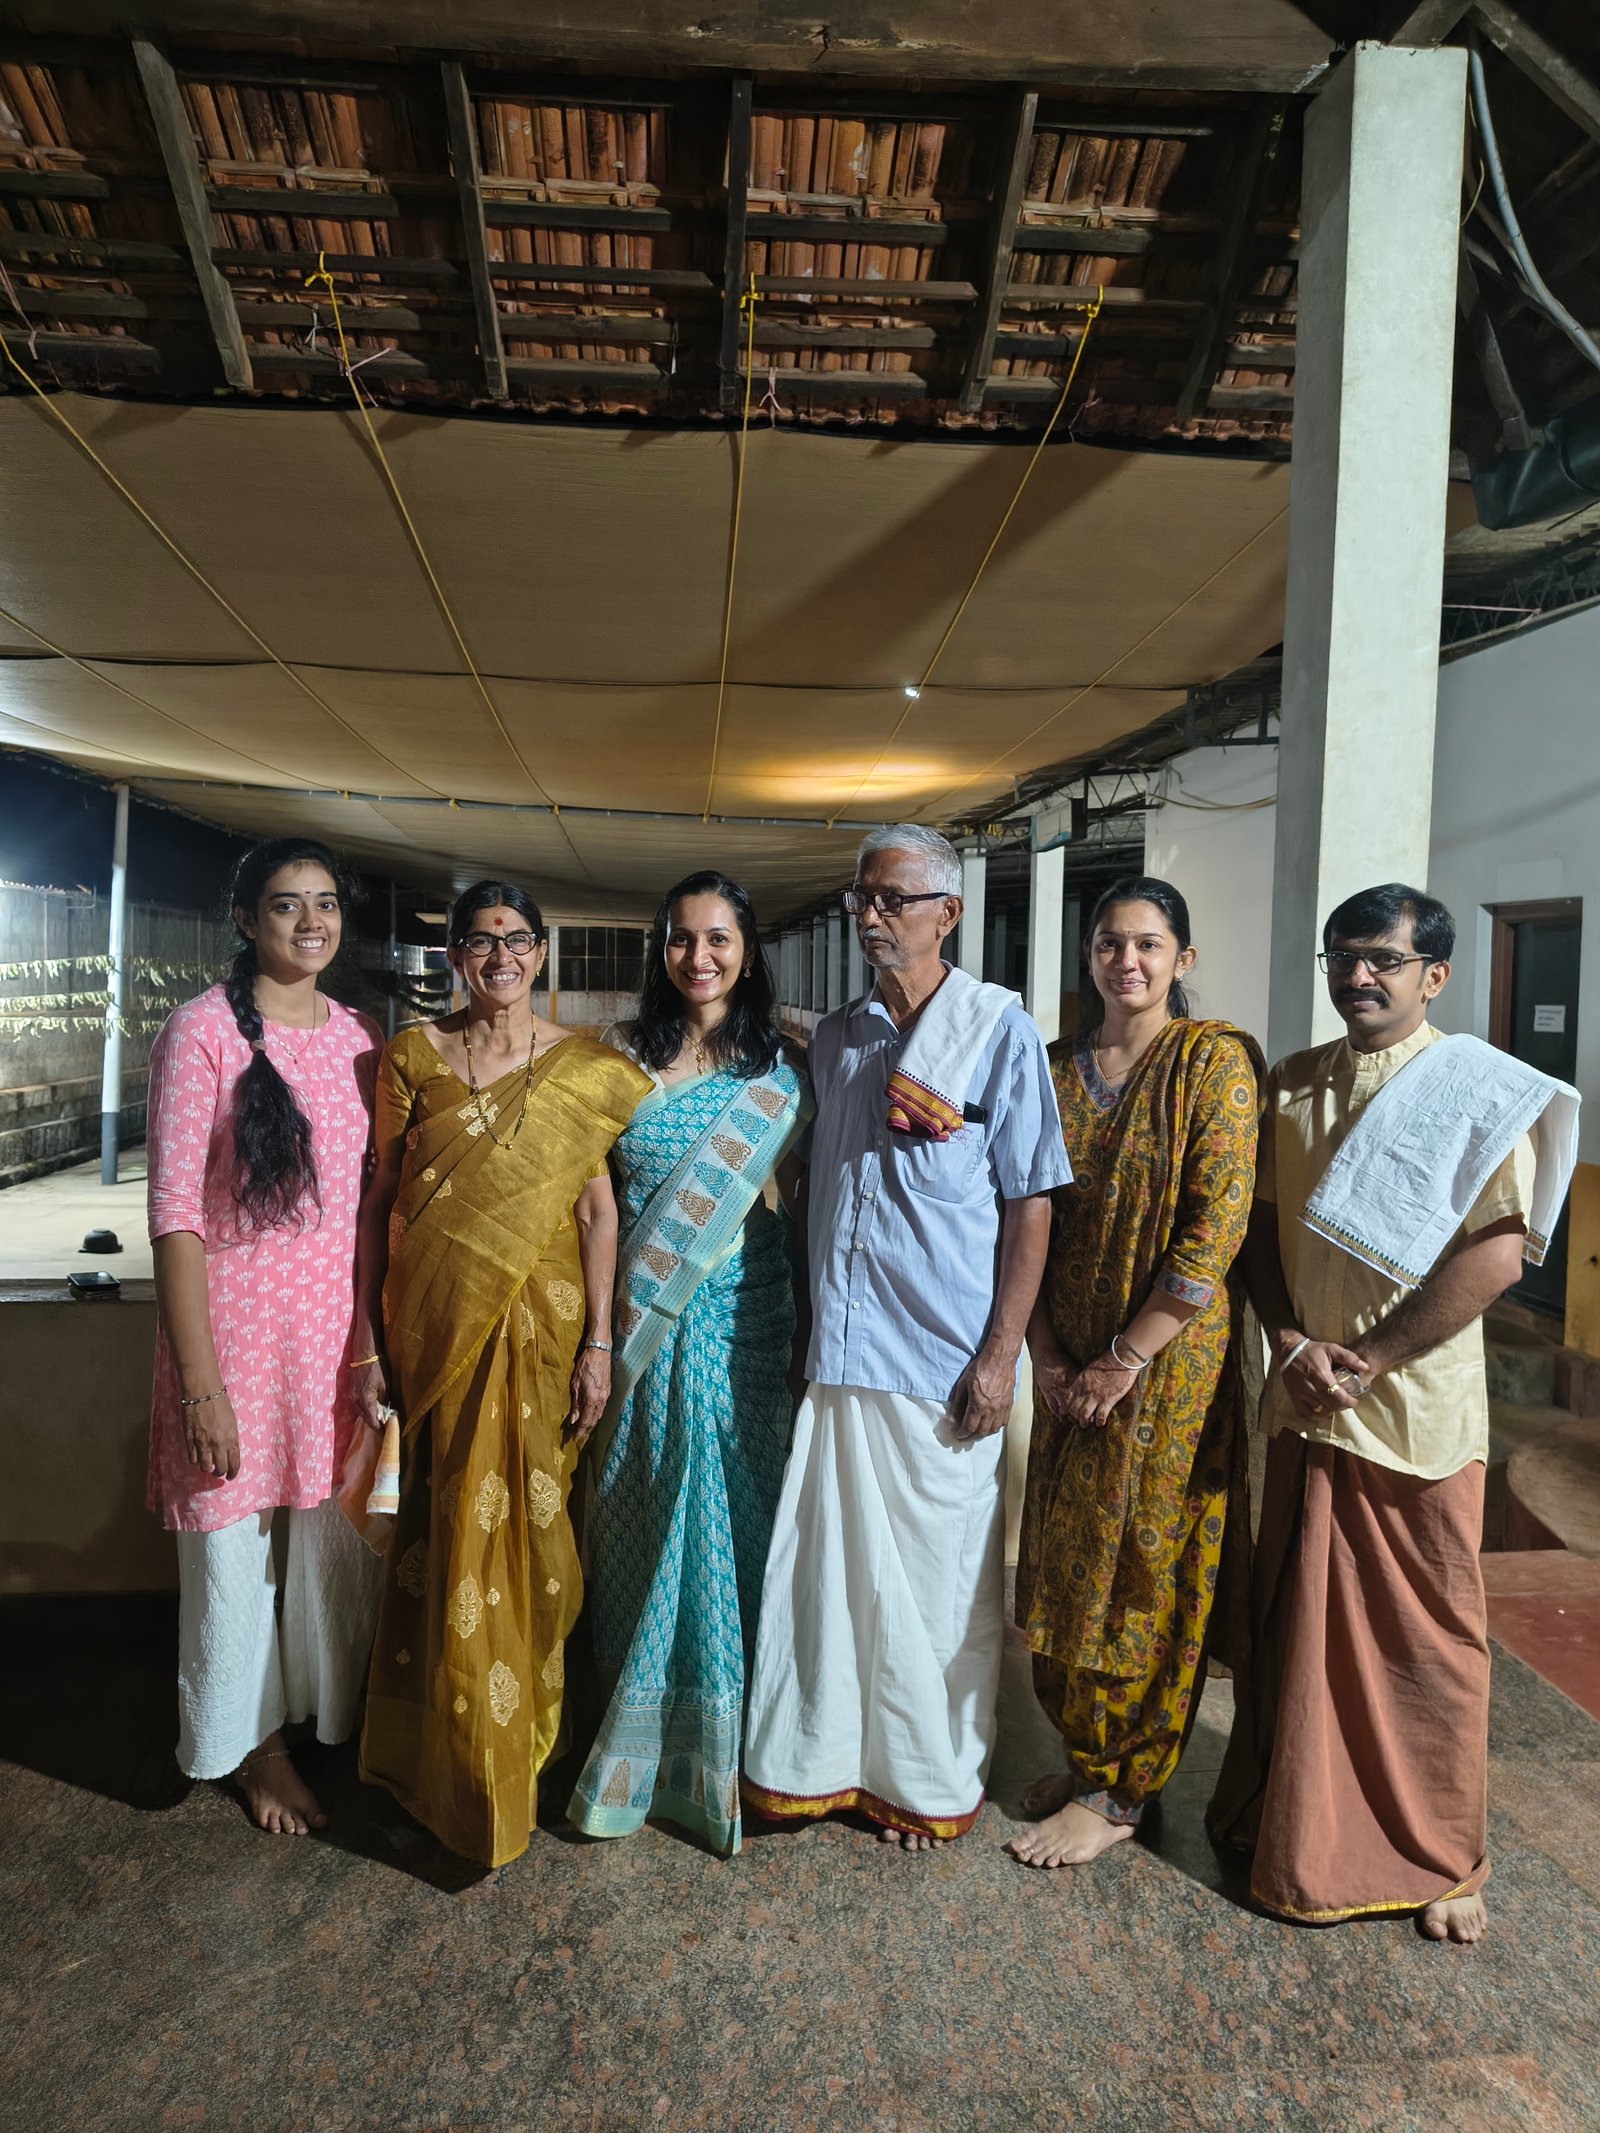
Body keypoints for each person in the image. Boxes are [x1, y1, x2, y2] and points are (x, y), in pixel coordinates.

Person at [1208, 883, 1552, 1945]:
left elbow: (1498, 1255)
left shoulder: (1476, 1090)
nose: (1357, 976)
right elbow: (1257, 1231)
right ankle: (1291, 1821)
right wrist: (1290, 1341)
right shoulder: (1292, 1081)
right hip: (1305, 1391)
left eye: (1382, 960)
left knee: (1426, 1638)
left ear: (1433, 975)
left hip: (1410, 1412)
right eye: (1342, 957)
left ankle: (1443, 1854)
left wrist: (1371, 1359)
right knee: (1292, 1625)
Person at [743, 824, 1071, 1850]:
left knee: (936, 1585)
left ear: (948, 912)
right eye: (863, 900)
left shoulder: (996, 1030)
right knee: (829, 1578)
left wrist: (1000, 1356)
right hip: (843, 1356)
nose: (872, 916)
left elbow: (1030, 1203)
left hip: (942, 1362)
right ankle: (826, 1762)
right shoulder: (838, 1038)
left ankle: (923, 1776)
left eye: (894, 898)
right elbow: (816, 1183)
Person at [357, 881, 651, 1867]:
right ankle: (449, 1760)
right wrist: (369, 1340)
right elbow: (381, 1202)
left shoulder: (583, 1068)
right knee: (448, 1533)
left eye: (518, 940)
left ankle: (519, 1752)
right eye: (480, 942)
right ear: (454, 956)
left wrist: (601, 1341)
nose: (501, 958)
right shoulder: (410, 1057)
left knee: (534, 1537)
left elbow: (598, 1212)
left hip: (545, 1336)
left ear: (541, 952)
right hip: (440, 1332)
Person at [1007, 878, 1261, 1869]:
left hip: (1166, 1367)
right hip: (1066, 1363)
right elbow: (1018, 1216)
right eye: (1111, 943)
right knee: (1064, 1554)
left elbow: (1214, 1232)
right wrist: (1045, 1352)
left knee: (1144, 1564)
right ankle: (1086, 1756)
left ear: (1182, 959)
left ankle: (1122, 1787)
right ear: (1088, 955)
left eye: (1149, 944)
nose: (1128, 961)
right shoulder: (1050, 1069)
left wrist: (1122, 1359)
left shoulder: (1212, 1063)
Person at [568, 872, 812, 1855]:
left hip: (749, 1318)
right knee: (646, 1500)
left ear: (747, 951)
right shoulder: (617, 1056)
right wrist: (595, 1334)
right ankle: (640, 1743)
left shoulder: (781, 1066)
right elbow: (591, 1205)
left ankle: (736, 1750)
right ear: (659, 949)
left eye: (718, 939)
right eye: (680, 938)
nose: (698, 957)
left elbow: (802, 1199)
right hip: (642, 1322)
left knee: (733, 1513)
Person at [147, 837, 384, 1837]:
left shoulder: (360, 1036)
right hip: (232, 1347)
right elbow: (174, 1214)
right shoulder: (200, 1030)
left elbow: (370, 1206)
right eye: (287, 904)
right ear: (246, 919)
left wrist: (372, 1342)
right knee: (232, 1553)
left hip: (330, 1344)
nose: (311, 921)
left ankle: (327, 1716)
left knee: (331, 1545)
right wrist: (199, 1384)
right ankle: (253, 1748)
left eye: (326, 903)